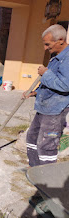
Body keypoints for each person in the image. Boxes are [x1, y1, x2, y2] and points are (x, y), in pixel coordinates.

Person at [24, 24, 69, 167]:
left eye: (47, 44)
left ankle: (46, 177)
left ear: (60, 40)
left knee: (46, 145)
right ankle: (34, 169)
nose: (45, 48)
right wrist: (36, 92)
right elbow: (52, 83)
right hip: (45, 106)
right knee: (31, 138)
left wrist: (46, 73)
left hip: (56, 110)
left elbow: (65, 85)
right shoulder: (56, 57)